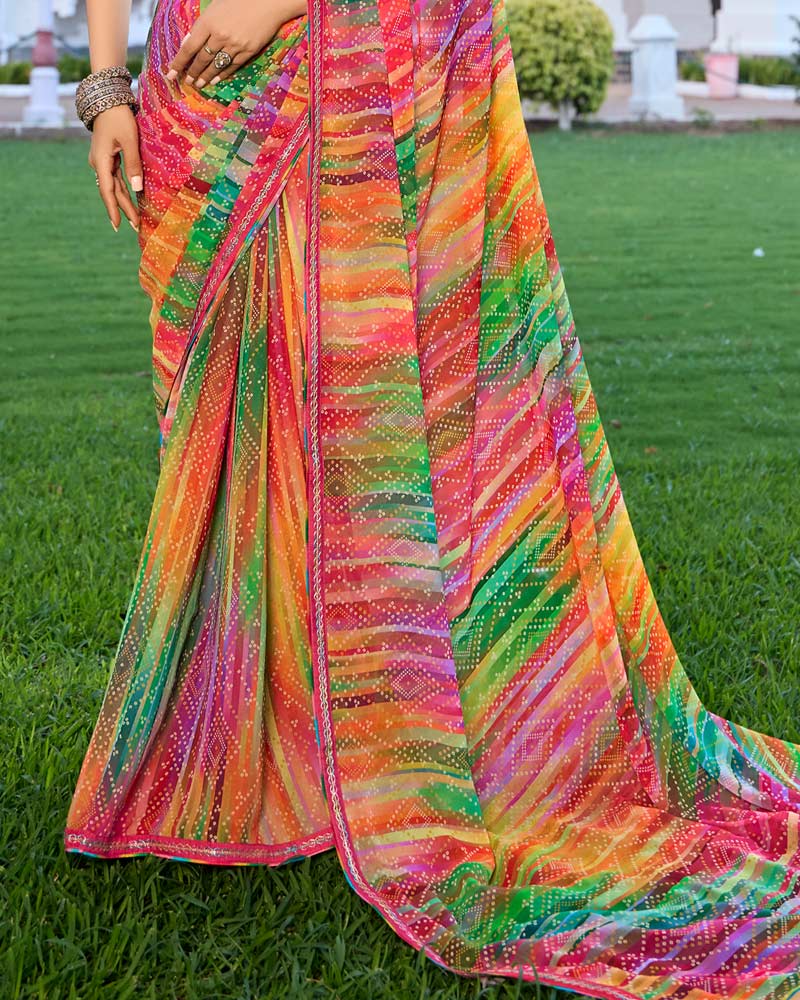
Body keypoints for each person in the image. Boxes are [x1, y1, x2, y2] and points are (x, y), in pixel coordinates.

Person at [64, 0, 800, 997]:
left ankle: (410, 741)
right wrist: (106, 86)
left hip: (352, 59)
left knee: (384, 432)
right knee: (244, 426)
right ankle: (268, 749)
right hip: (198, 90)